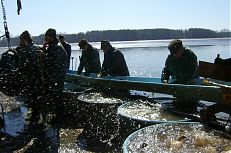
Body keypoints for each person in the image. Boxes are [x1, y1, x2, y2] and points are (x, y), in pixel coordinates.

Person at [42, 28, 67, 114]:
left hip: (58, 77)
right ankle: (54, 114)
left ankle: (59, 117)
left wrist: (44, 55)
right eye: (45, 38)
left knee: (58, 97)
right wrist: (44, 50)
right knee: (53, 97)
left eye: (47, 38)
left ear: (52, 37)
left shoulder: (58, 47)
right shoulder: (52, 46)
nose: (46, 40)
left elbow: (55, 62)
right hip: (52, 76)